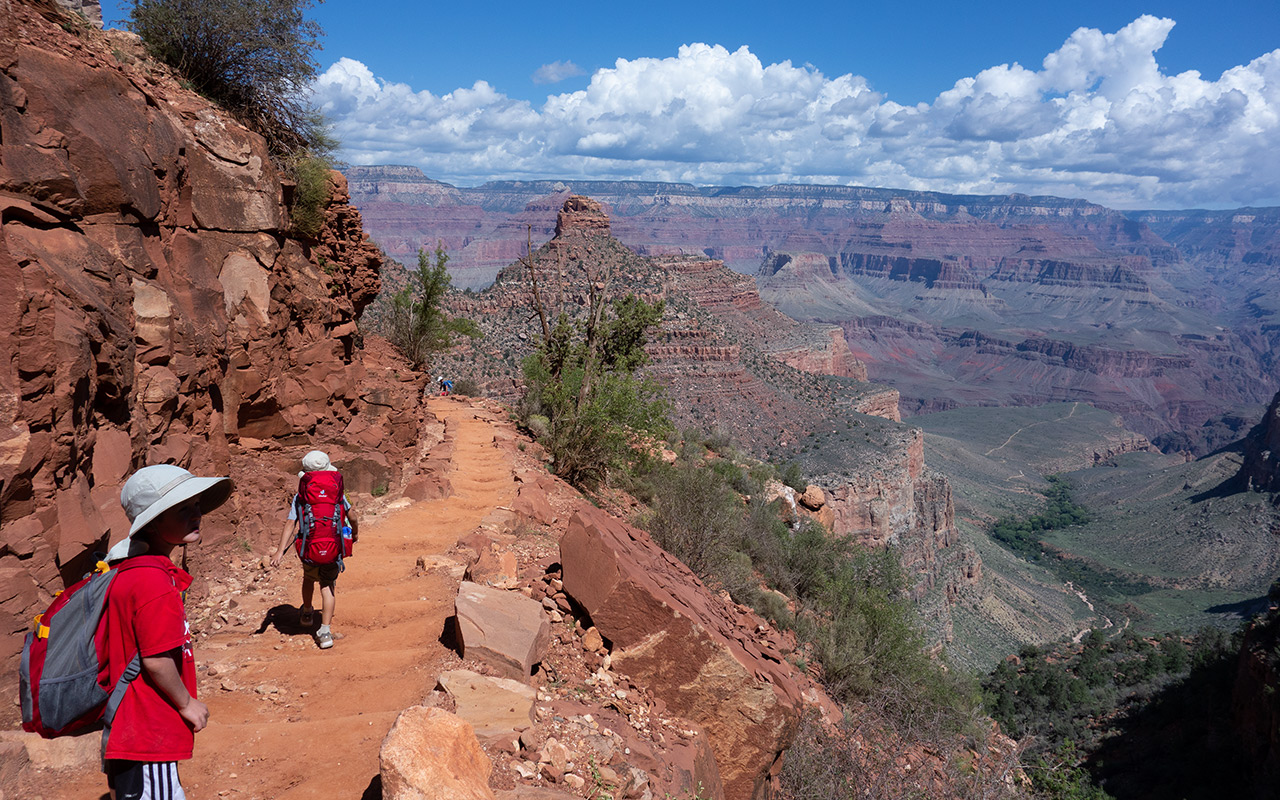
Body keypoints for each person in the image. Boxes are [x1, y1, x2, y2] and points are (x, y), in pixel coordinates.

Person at [102, 463, 233, 800]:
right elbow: (156, 660)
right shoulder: (153, 581)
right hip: (147, 727)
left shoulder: (129, 571)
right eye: (182, 509)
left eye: (196, 505)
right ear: (154, 522)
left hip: (129, 725)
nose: (196, 514)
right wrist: (187, 703)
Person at [270, 450, 358, 650]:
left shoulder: (301, 496)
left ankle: (308, 613)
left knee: (308, 579)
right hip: (333, 548)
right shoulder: (339, 493)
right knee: (328, 586)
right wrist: (354, 535)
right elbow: (353, 516)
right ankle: (325, 632)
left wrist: (279, 551)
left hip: (309, 548)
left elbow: (290, 524)